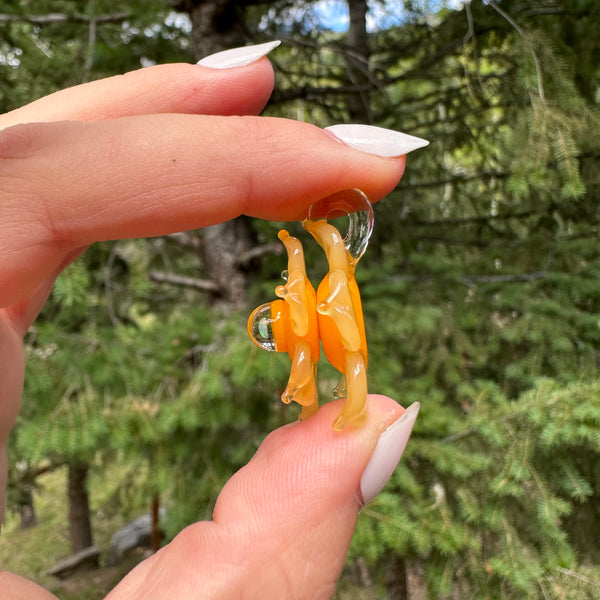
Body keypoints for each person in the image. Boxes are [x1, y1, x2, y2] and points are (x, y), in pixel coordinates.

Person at [0, 42, 423, 599]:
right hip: (345, 348)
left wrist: (304, 243)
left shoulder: (315, 288)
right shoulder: (313, 316)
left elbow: (316, 273)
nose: (276, 322)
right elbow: (307, 377)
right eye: (275, 322)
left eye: (272, 320)